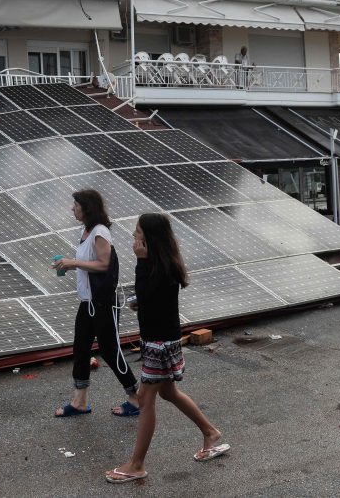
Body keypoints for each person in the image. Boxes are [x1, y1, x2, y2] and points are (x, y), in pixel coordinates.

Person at [105, 213, 230, 484]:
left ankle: (137, 464)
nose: (134, 237)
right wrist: (141, 299)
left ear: (149, 237)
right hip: (161, 338)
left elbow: (150, 291)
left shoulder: (159, 266)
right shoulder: (161, 263)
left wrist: (139, 263)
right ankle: (210, 432)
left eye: (137, 233)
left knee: (146, 399)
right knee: (168, 393)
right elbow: (152, 297)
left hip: (159, 343)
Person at [52, 189, 140, 418]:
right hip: (88, 301)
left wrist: (74, 262)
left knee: (110, 351)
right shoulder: (85, 231)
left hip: (103, 302)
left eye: (76, 205)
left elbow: (103, 264)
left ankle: (135, 396)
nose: (73, 208)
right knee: (80, 348)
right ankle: (80, 401)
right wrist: (72, 264)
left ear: (87, 207)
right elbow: (90, 263)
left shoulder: (100, 232)